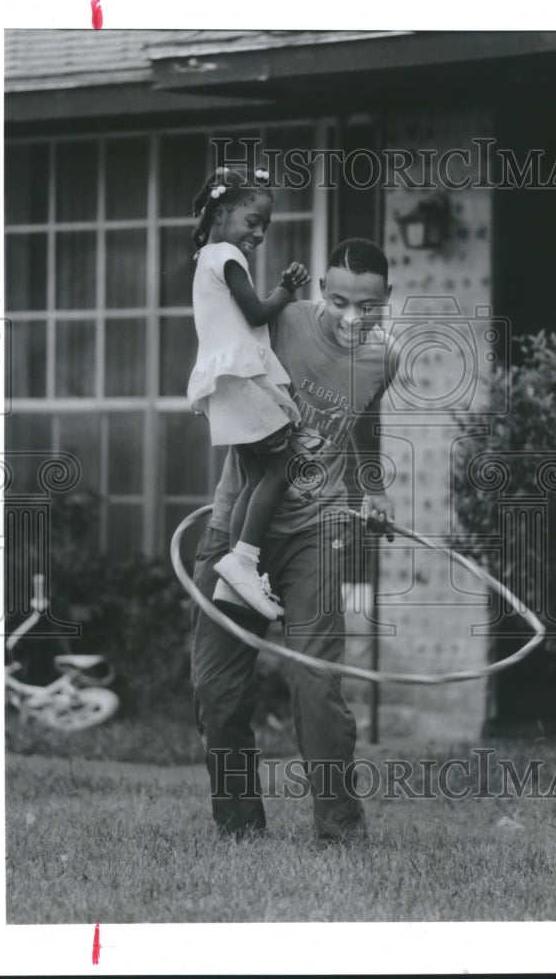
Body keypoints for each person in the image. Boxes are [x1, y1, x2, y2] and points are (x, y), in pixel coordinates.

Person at [191, 238, 398, 843]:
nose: (353, 318)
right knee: (217, 689)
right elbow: (221, 349)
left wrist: (375, 488)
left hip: (318, 531)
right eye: (339, 301)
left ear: (388, 298)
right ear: (321, 293)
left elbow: (353, 427)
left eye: (369, 306)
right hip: (238, 529)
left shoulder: (381, 360)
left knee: (316, 684)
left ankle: (339, 830)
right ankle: (239, 829)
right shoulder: (280, 322)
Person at [186, 166, 311, 620]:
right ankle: (243, 561)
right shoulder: (226, 257)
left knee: (260, 476)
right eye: (251, 221)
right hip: (239, 380)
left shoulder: (206, 258)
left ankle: (236, 578)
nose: (258, 233)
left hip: (226, 383)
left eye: (265, 226)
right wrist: (287, 289)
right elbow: (258, 313)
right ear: (221, 213)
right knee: (282, 469)